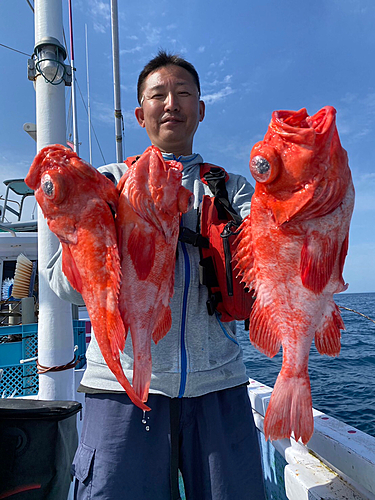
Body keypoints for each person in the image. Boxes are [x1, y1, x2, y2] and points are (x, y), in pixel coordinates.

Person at [47, 50, 266, 500]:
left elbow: (269, 267)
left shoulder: (232, 189)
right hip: (118, 388)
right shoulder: (106, 182)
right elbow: (64, 286)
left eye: (184, 93)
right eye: (158, 95)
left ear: (200, 110)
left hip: (219, 386)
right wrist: (97, 235)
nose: (172, 103)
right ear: (139, 112)